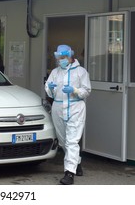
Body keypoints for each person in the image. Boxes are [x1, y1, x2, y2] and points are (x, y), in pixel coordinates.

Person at [44, 44, 91, 185]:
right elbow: (48, 89)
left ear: (70, 57)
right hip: (58, 107)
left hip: (75, 107)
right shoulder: (55, 72)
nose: (61, 60)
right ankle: (76, 164)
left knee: (72, 141)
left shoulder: (81, 72)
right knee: (63, 141)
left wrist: (75, 90)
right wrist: (50, 88)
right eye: (59, 58)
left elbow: (87, 91)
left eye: (63, 57)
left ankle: (69, 173)